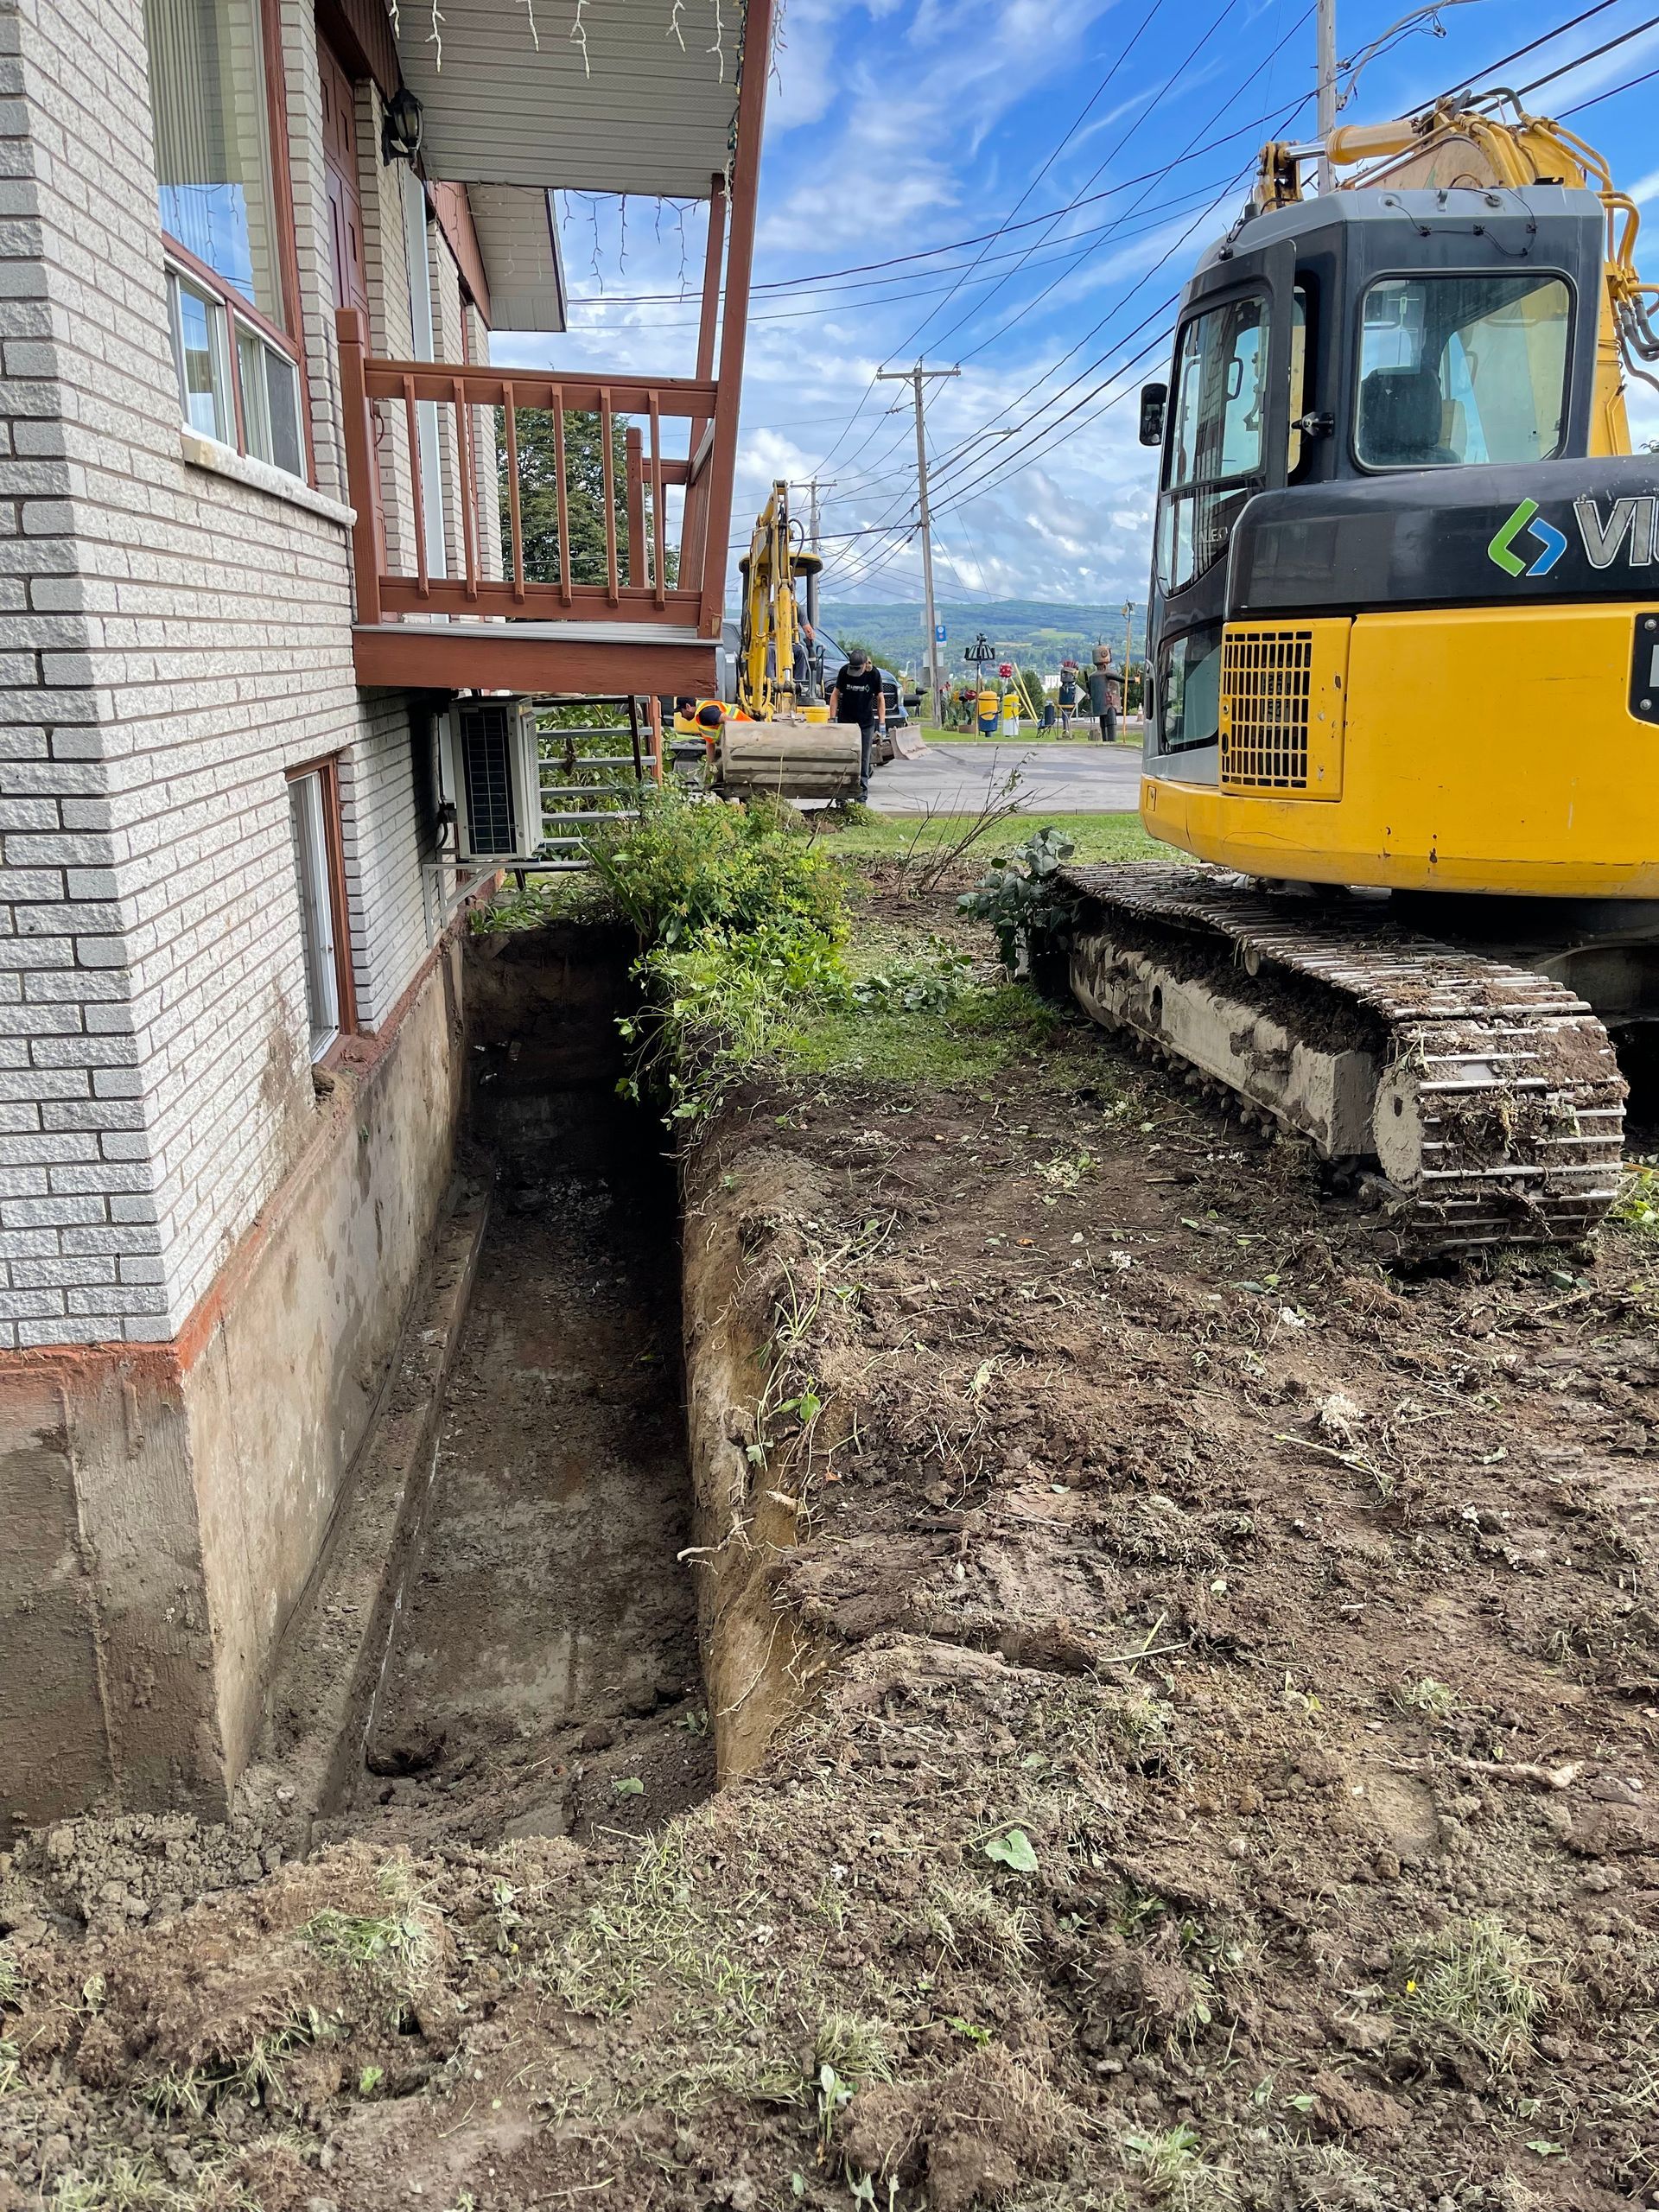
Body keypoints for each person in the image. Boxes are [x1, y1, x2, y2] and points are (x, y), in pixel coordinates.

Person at [830, 647, 886, 802]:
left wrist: (882, 724)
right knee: (844, 758)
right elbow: (835, 695)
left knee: (863, 761)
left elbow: (880, 699)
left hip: (865, 723)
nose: (853, 670)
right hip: (846, 722)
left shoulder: (873, 674)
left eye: (857, 668)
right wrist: (832, 719)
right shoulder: (844, 672)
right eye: (851, 668)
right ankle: (841, 798)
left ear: (864, 665)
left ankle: (861, 799)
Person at [1089, 650, 1119, 744]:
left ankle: (1110, 740)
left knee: (1108, 720)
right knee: (1106, 720)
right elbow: (1122, 679)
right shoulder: (1106, 675)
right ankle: (1108, 740)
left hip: (1109, 703)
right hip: (1107, 702)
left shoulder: (1095, 676)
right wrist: (1134, 679)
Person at [1057, 662, 1078, 735]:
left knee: (1066, 716)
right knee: (1066, 716)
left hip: (1066, 703)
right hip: (1066, 703)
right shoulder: (1069, 688)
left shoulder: (1068, 688)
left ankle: (1066, 730)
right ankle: (1066, 730)